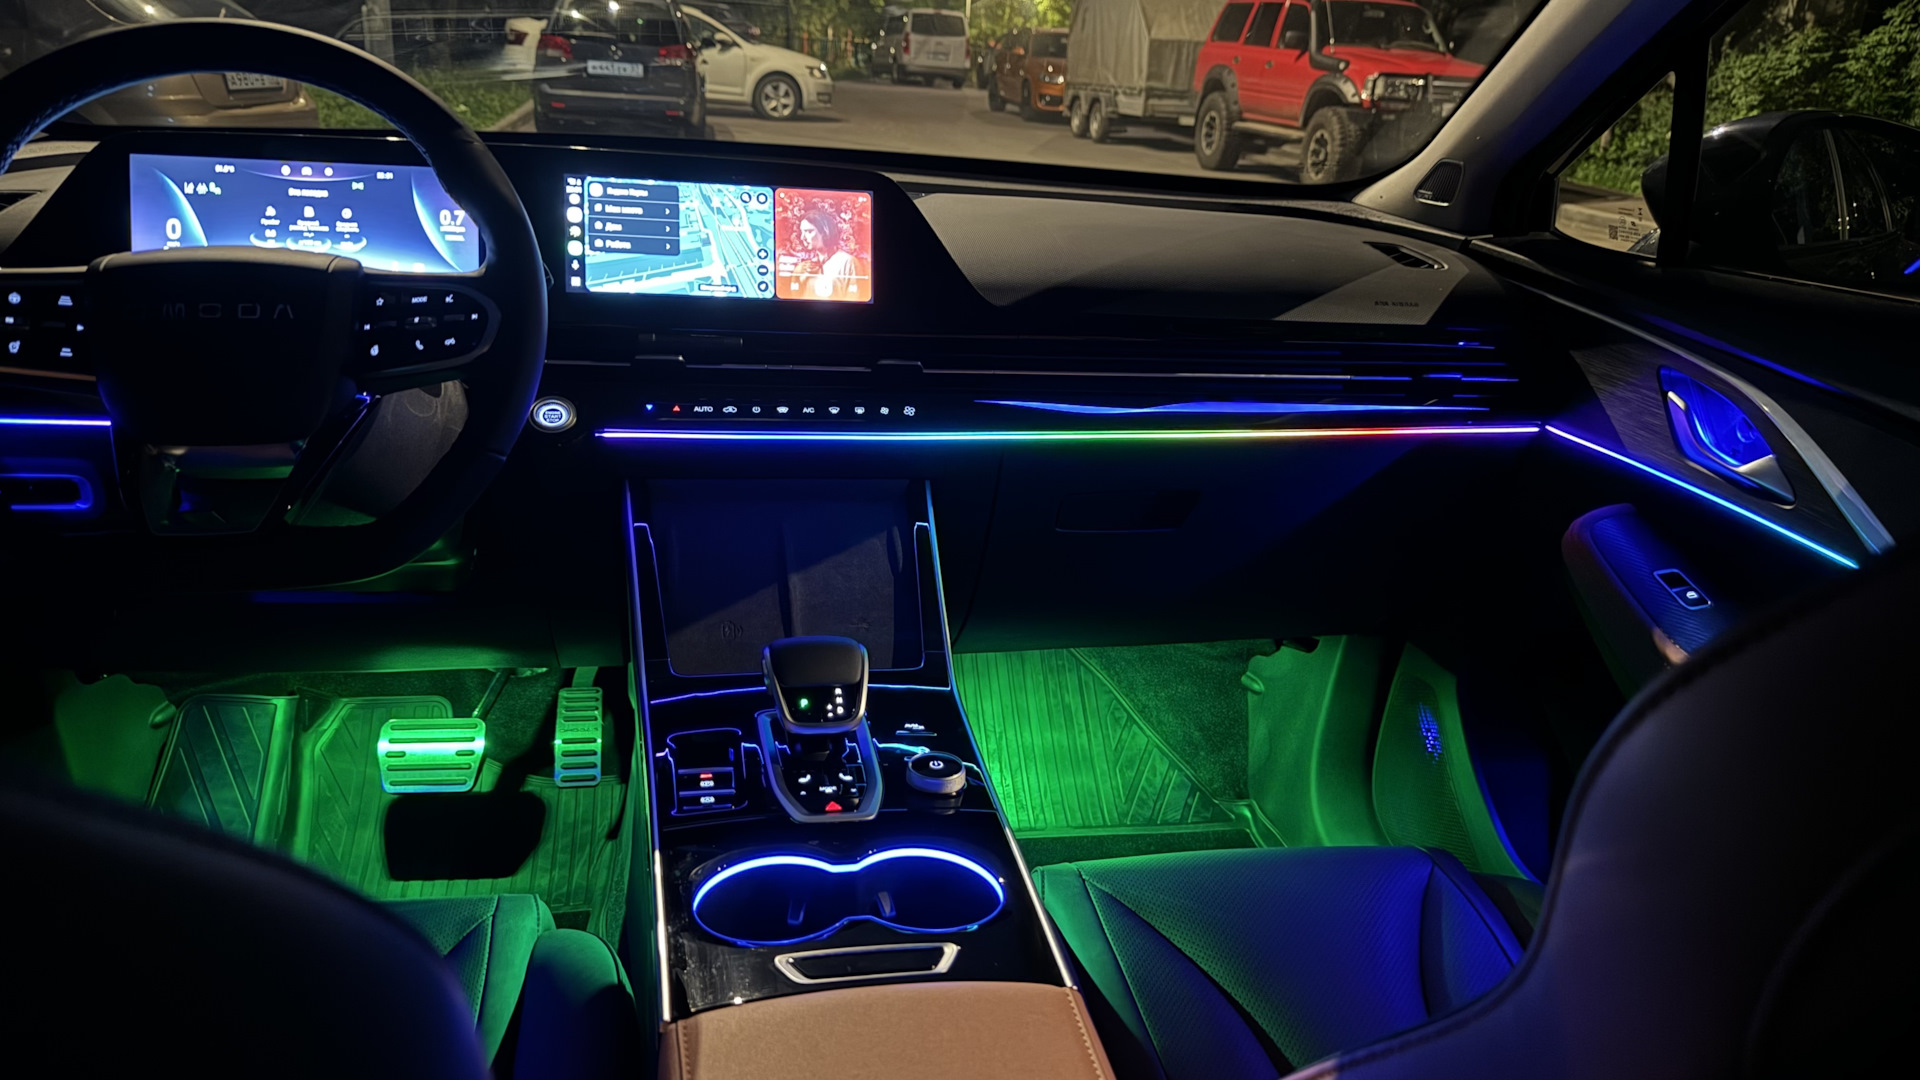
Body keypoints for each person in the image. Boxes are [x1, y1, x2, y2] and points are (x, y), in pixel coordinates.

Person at [795, 208, 858, 300]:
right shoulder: (803, 267)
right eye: (802, 232)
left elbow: (855, 301)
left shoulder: (848, 262)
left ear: (825, 232)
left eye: (808, 231)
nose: (802, 237)